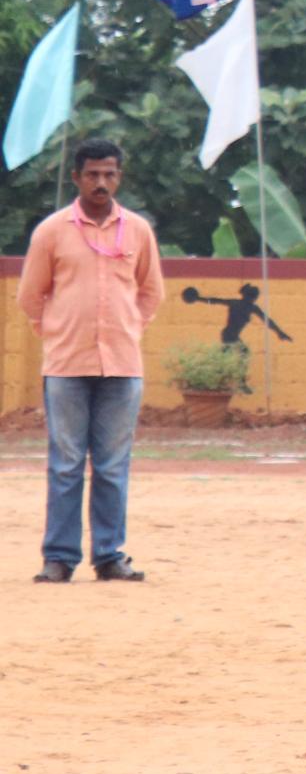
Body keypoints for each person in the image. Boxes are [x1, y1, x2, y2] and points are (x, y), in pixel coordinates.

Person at [23, 138, 164, 584]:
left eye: (109, 174)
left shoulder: (138, 230)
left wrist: (129, 329)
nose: (101, 182)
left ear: (119, 176)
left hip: (122, 365)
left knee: (111, 464)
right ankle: (59, 557)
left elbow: (151, 292)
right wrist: (57, 332)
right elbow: (32, 296)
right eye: (92, 174)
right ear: (76, 177)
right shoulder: (52, 231)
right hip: (66, 365)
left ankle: (109, 555)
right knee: (65, 462)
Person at [181, 282, 290, 346]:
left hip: (231, 335)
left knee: (238, 355)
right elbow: (214, 300)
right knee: (241, 354)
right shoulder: (246, 306)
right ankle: (239, 382)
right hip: (229, 335)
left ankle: (235, 380)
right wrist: (199, 299)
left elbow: (267, 320)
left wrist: (279, 332)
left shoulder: (247, 306)